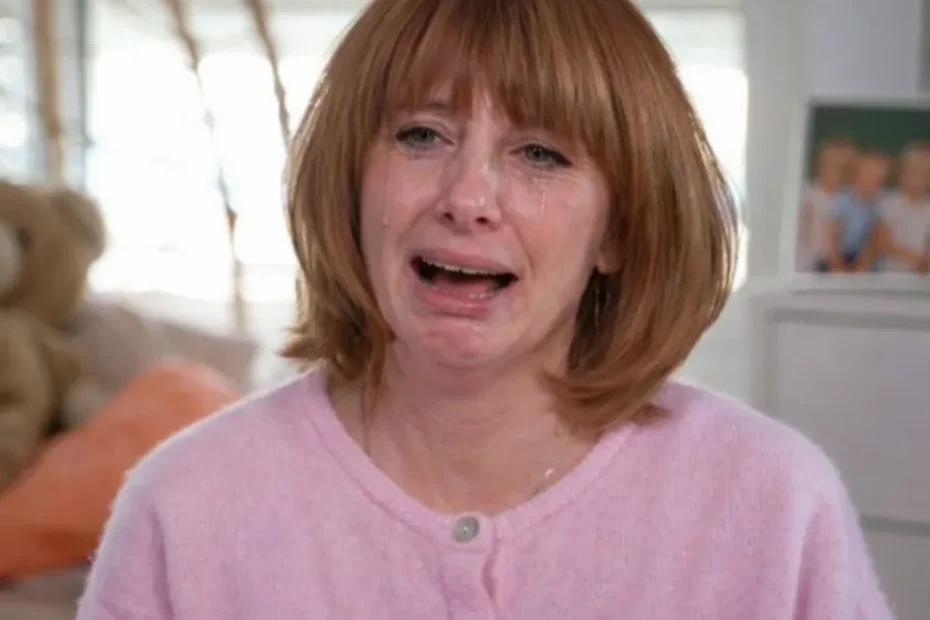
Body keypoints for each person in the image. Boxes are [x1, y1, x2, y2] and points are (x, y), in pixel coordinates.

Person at [76, 0, 894, 618]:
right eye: (421, 136)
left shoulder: (775, 506)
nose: (467, 198)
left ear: (618, 230)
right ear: (351, 187)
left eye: (540, 153)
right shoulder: (185, 506)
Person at [818, 149, 892, 273]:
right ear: (856, 175)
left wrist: (863, 264)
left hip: (861, 259)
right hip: (837, 257)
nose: (874, 181)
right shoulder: (842, 200)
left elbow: (876, 238)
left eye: (879, 178)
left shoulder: (877, 206)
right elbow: (831, 233)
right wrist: (837, 264)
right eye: (869, 174)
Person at [798, 138, 856, 271]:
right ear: (820, 164)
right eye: (834, 165)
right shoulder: (804, 194)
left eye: (845, 167)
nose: (839, 170)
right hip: (805, 269)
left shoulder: (851, 199)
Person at [880, 142, 930, 274]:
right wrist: (916, 260)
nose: (918, 177)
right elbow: (884, 242)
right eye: (913, 171)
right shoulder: (890, 203)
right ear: (902, 173)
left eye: (924, 173)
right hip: (893, 276)